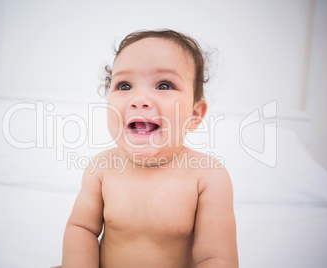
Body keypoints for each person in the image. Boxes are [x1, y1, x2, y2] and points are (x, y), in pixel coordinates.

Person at [61, 29, 238, 267]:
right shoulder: (102, 168)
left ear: (194, 116)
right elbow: (81, 229)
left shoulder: (208, 176)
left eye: (164, 85)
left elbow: (215, 258)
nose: (139, 98)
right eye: (124, 86)